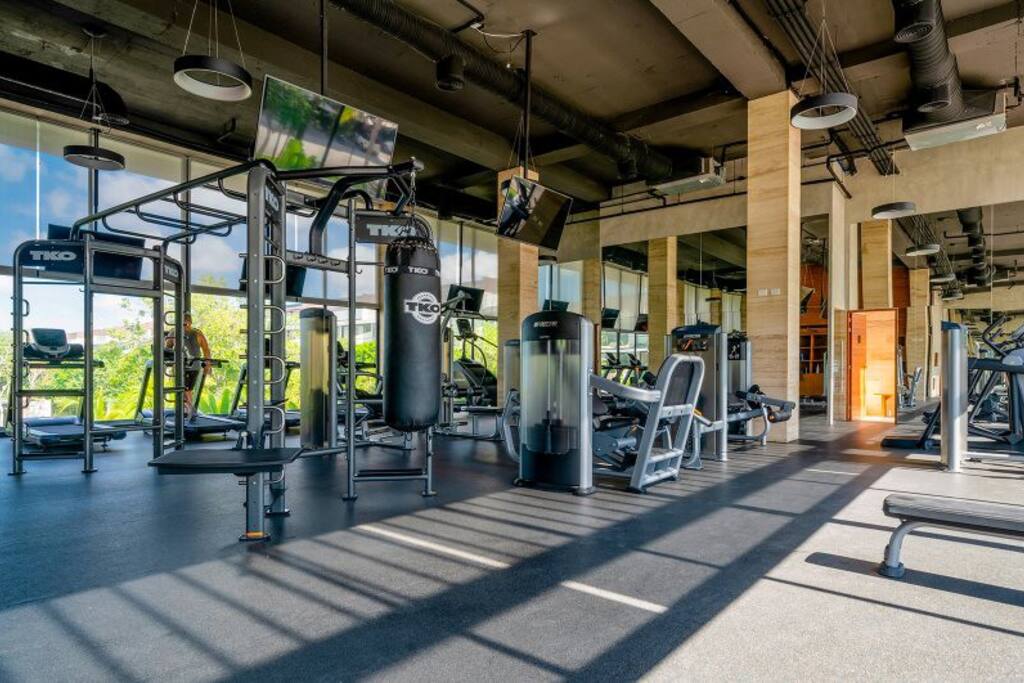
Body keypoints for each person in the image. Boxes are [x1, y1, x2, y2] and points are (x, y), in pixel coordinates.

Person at [164, 313, 213, 419]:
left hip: (194, 366)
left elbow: (206, 349)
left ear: (190, 322)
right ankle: (190, 411)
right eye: (183, 322)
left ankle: (190, 412)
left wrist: (208, 364)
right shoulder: (174, 332)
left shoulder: (197, 333)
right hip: (180, 366)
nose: (185, 325)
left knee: (188, 389)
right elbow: (166, 348)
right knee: (184, 390)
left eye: (187, 322)